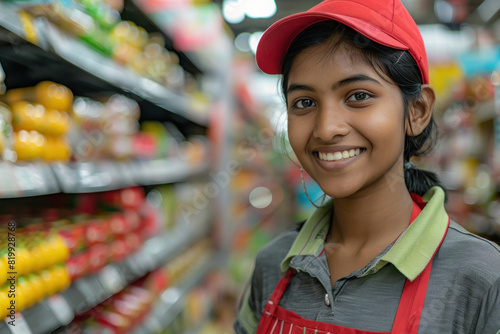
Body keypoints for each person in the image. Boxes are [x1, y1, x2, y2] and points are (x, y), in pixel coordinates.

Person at [234, 0, 500, 333]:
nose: (327, 128)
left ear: (416, 110)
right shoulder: (274, 263)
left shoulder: (482, 278)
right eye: (304, 102)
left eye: (358, 96)